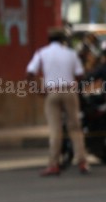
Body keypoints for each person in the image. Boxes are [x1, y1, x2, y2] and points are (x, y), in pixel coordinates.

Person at [28, 27, 87, 176]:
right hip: (69, 91)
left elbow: (29, 73)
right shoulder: (71, 54)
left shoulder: (42, 53)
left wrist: (38, 90)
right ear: (63, 40)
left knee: (55, 129)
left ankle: (53, 164)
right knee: (75, 127)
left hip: (52, 92)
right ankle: (82, 162)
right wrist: (74, 85)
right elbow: (80, 74)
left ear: (49, 40)